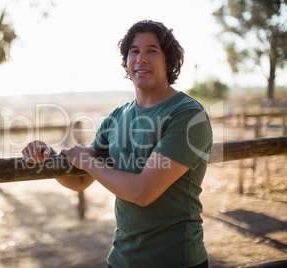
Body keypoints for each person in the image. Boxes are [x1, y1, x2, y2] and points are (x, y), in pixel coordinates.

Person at [22, 20, 212, 268]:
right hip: (122, 259)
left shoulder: (187, 115)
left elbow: (142, 192)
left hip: (175, 259)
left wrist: (87, 161)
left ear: (169, 61)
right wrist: (48, 157)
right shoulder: (116, 117)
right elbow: (80, 180)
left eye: (152, 51)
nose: (141, 59)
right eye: (134, 51)